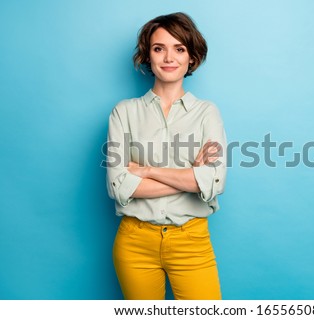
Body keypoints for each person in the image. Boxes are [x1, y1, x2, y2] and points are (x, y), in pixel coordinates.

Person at [106, 12, 226, 300]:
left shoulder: (207, 113)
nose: (169, 57)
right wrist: (191, 177)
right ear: (148, 56)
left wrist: (146, 171)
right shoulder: (124, 112)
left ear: (192, 58)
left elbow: (213, 183)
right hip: (134, 243)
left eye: (179, 49)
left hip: (192, 241)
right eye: (159, 48)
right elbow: (118, 186)